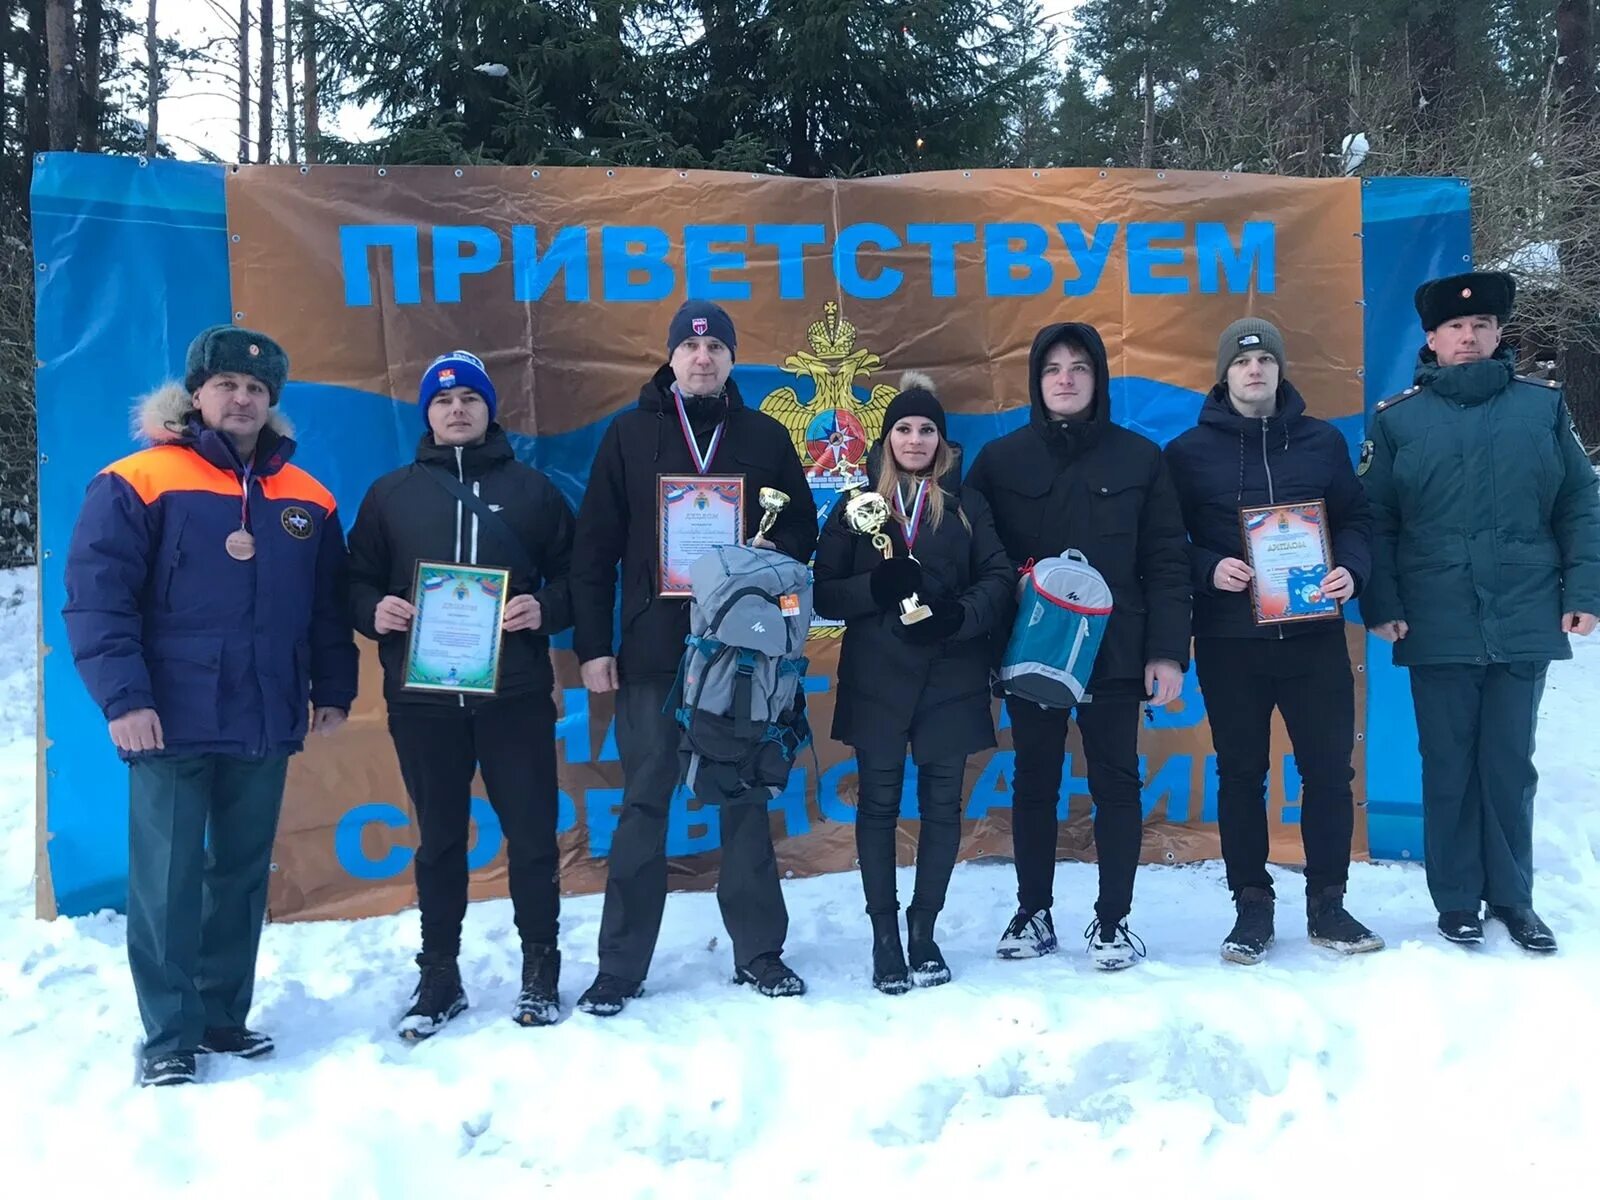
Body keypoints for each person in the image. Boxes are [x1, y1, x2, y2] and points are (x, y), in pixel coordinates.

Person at [62, 325, 358, 1087]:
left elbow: (326, 608)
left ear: (272, 404)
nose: (242, 398)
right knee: (165, 879)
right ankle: (169, 1035)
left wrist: (335, 687)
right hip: (168, 716)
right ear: (196, 395)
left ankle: (224, 1014)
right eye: (227, 384)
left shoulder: (308, 497)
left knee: (239, 873)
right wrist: (123, 699)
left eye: (257, 389)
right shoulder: (138, 479)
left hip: (264, 715)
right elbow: (99, 602)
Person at [570, 300, 819, 1015]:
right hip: (652, 654)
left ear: (733, 360)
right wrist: (594, 647)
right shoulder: (627, 436)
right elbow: (593, 551)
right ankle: (619, 967)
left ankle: (759, 952)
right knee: (644, 806)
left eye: (715, 350)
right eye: (689, 348)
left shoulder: (766, 437)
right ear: (671, 357)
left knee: (743, 801)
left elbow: (802, 524)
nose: (702, 359)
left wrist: (784, 550)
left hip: (741, 658)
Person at [1361, 271, 1600, 953]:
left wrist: (1584, 592)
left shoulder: (1541, 410)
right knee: (1447, 764)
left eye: (1482, 327)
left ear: (1500, 335)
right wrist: (1384, 603)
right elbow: (1375, 521)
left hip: (1525, 612)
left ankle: (1515, 899)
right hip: (1435, 619)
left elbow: (1578, 504)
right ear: (1432, 340)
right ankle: (1457, 901)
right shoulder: (1399, 420)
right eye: (1455, 329)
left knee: (1508, 763)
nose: (1469, 337)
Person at [347, 351, 576, 1038]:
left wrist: (546, 608)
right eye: (443, 401)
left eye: (469, 399)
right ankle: (439, 975)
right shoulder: (391, 494)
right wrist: (374, 611)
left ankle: (541, 970)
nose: (456, 410)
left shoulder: (533, 492)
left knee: (532, 835)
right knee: (441, 839)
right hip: (422, 699)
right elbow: (354, 580)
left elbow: (579, 580)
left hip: (515, 694)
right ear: (427, 413)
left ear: (488, 409)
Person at [965, 322, 1190, 969]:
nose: (1065, 379)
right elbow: (978, 563)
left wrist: (1167, 652)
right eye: (1053, 369)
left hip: (1115, 652)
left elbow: (1167, 560)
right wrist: (984, 652)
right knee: (1034, 780)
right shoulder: (1000, 462)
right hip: (1031, 652)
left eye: (1079, 368)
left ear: (1098, 379)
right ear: (1037, 382)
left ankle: (1112, 921)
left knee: (1117, 783)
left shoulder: (1140, 459)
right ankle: (1033, 911)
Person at [1165, 318, 1382, 964]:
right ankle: (1251, 907)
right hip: (1231, 642)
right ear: (1224, 373)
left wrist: (1352, 568)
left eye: (1264, 360)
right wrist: (1208, 565)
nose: (1253, 369)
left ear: (1280, 370)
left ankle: (1328, 903)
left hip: (1314, 639)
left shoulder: (1322, 443)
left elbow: (1358, 518)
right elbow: (1164, 542)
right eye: (1241, 361)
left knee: (1328, 774)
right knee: (1240, 776)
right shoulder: (1186, 454)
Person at [812, 375, 1013, 992]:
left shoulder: (969, 506)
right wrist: (875, 587)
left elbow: (1000, 580)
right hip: (878, 678)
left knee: (941, 807)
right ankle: (884, 936)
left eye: (927, 429)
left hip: (950, 674)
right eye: (904, 428)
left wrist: (957, 617)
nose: (916, 438)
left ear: (944, 443)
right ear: (887, 439)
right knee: (877, 806)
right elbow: (823, 593)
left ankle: (924, 931)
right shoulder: (854, 506)